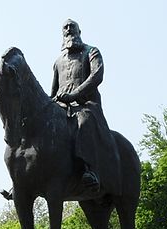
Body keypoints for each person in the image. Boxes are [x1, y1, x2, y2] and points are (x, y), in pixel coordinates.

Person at [51, 19, 119, 195]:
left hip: (86, 105)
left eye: (71, 26)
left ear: (79, 31)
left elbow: (97, 76)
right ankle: (27, 176)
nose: (68, 29)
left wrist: (74, 95)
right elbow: (53, 91)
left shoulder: (91, 52)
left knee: (84, 120)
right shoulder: (58, 62)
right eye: (65, 28)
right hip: (61, 107)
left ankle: (90, 169)